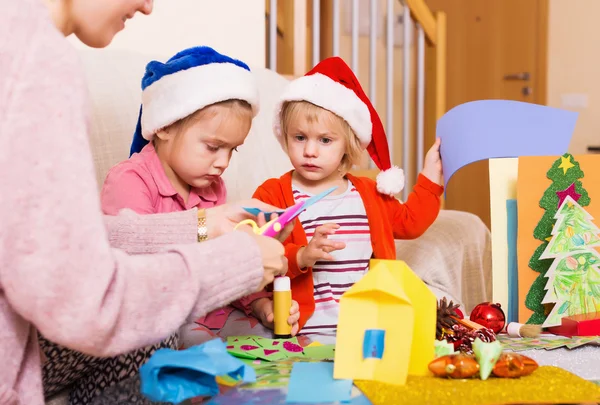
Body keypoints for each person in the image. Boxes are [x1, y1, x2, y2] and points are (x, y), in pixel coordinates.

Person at [0, 1, 290, 404]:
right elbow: (89, 302)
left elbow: (47, 238)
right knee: (153, 321)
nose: (149, 6)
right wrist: (238, 261)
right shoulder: (36, 61)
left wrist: (206, 225)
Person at [102, 45, 300, 345]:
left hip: (217, 312)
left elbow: (226, 262)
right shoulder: (130, 180)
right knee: (200, 347)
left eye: (232, 149)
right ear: (165, 127)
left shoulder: (213, 188)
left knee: (273, 341)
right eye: (212, 147)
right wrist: (205, 230)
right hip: (168, 319)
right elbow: (132, 266)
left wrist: (260, 305)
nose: (223, 162)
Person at [253, 57, 444, 344]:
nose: (310, 151)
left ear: (348, 144)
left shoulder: (368, 193)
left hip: (367, 333)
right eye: (300, 137)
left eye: (325, 140)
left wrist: (431, 178)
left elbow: (411, 223)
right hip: (304, 334)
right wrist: (302, 256)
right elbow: (256, 255)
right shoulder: (272, 194)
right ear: (285, 137)